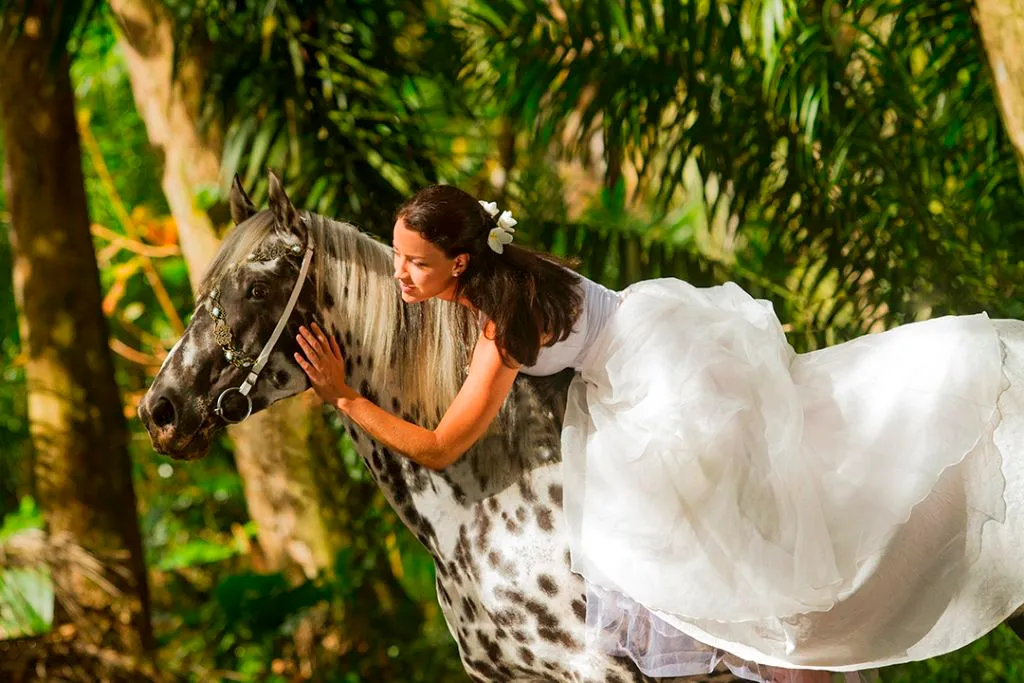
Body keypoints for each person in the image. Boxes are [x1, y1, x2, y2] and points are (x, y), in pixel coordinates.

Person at [293, 185, 1024, 682]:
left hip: (657, 374)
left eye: (415, 262)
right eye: (397, 255)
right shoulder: (505, 272)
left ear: (459, 261)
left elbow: (442, 446)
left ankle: (776, 655)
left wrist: (344, 395)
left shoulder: (502, 324)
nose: (400, 275)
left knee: (659, 531)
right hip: (657, 331)